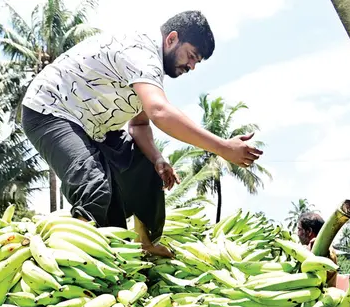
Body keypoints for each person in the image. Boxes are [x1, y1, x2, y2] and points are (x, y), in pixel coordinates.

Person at [21, 11, 262, 257]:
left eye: (196, 62)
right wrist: (223, 147)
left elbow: (139, 125)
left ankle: (145, 242)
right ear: (172, 39)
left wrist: (157, 159)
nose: (191, 66)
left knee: (148, 167)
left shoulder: (150, 70)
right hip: (51, 111)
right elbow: (159, 111)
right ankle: (71, 258)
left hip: (94, 128)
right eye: (191, 56)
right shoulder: (142, 53)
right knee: (93, 185)